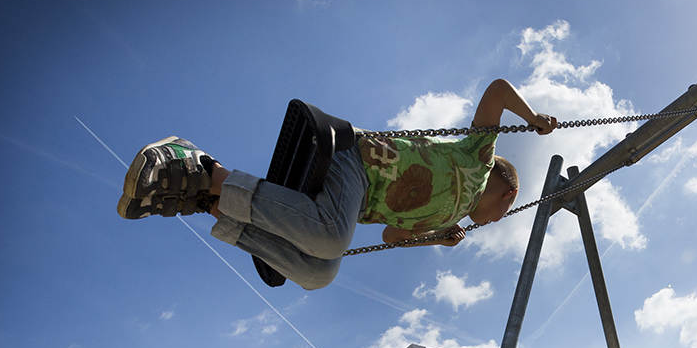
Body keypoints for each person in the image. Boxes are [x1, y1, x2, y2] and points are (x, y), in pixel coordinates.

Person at [117, 79, 557, 289]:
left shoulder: (447, 216)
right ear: (509, 194)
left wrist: (437, 240)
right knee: (330, 241)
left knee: (319, 272)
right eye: (503, 213)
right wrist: (533, 119)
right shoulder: (477, 161)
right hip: (356, 160)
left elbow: (392, 235)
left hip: (343, 200)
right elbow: (498, 90)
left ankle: (208, 203)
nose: (497, 219)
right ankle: (204, 168)